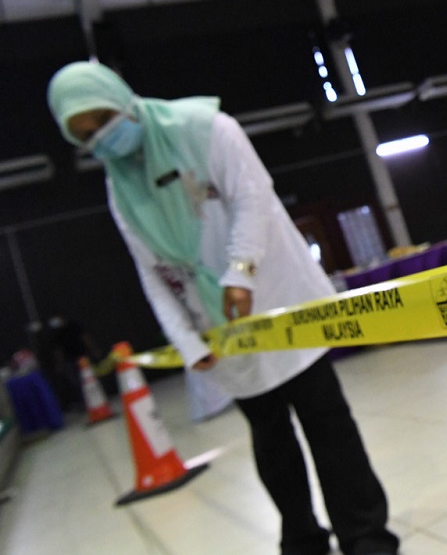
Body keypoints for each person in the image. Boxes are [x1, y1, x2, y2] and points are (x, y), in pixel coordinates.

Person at [47, 61, 398, 555]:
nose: (100, 139)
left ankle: (365, 537)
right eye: (84, 136)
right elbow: (151, 272)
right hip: (220, 326)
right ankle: (302, 540)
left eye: (101, 119)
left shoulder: (207, 129)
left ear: (122, 98)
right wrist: (186, 340)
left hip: (280, 294)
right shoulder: (119, 186)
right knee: (271, 438)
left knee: (327, 422)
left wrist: (240, 274)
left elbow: (253, 200)